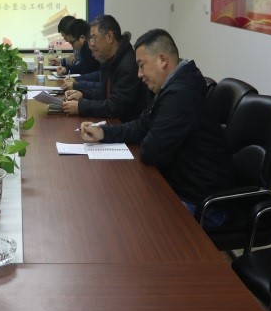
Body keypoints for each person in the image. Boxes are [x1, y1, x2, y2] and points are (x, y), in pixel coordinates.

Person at [80, 29, 235, 227]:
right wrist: (103, 132)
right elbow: (141, 125)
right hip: (180, 188)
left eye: (141, 65)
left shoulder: (181, 94)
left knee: (127, 221)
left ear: (162, 60)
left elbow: (150, 152)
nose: (139, 74)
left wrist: (146, 134)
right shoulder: (171, 87)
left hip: (203, 204)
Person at [62, 14, 149, 122]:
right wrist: (83, 94)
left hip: (124, 125)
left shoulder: (128, 64)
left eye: (94, 39)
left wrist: (81, 106)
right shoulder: (109, 59)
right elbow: (103, 93)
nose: (91, 45)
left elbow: (115, 107)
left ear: (110, 37)